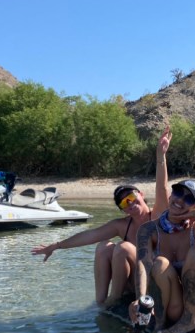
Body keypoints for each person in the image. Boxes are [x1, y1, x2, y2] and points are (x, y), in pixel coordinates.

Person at [31, 127, 173, 306]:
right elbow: (90, 235)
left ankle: (113, 299)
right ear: (122, 210)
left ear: (141, 195)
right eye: (123, 203)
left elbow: (162, 188)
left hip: (155, 278)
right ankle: (100, 303)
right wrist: (57, 245)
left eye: (131, 197)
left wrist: (161, 157)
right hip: (133, 280)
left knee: (123, 247)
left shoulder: (157, 214)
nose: (129, 203)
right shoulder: (122, 225)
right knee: (103, 247)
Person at [129, 178, 195, 333]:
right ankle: (160, 323)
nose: (180, 200)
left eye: (189, 199)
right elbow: (143, 264)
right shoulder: (148, 229)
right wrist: (140, 298)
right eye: (178, 193)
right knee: (160, 263)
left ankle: (189, 320)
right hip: (175, 308)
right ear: (170, 195)